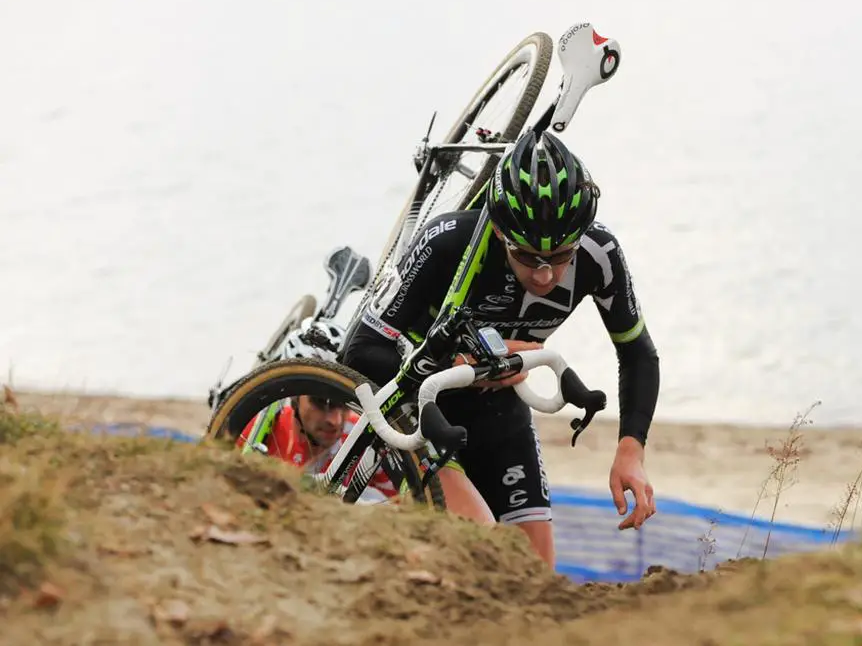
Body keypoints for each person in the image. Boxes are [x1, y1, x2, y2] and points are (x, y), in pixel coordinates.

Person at [343, 129, 660, 568]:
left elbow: (638, 352)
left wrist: (631, 450)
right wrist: (460, 361)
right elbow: (360, 351)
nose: (547, 275)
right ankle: (364, 528)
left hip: (499, 413)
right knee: (487, 553)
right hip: (421, 410)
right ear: (498, 232)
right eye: (528, 257)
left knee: (534, 573)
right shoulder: (448, 242)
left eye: (562, 256)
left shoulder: (599, 254)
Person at [236, 319, 398, 500]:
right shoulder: (259, 428)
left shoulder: (361, 436)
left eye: (343, 404)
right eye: (321, 403)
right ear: (295, 397)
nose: (335, 420)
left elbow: (407, 503)